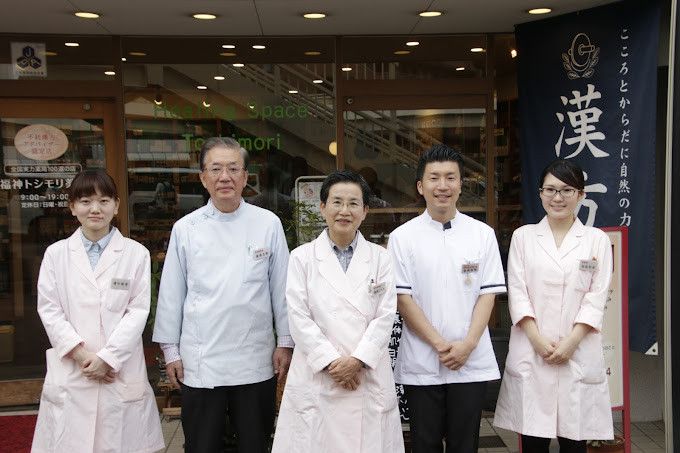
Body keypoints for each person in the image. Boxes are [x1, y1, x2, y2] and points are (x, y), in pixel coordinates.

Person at [152, 137, 293, 453]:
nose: (225, 177)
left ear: (245, 177)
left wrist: (285, 341)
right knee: (202, 445)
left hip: (254, 358)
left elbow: (282, 288)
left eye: (233, 169)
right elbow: (172, 292)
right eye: (216, 169)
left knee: (255, 443)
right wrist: (171, 351)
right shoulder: (186, 228)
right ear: (203, 178)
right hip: (202, 360)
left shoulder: (267, 223)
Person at [272, 170, 404, 453]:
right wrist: (333, 362)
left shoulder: (381, 258)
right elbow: (298, 317)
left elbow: (385, 315)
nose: (345, 211)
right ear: (322, 207)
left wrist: (357, 361)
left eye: (354, 203)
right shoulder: (302, 258)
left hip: (365, 374)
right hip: (320, 375)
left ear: (365, 211)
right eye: (337, 202)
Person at [32, 170, 164, 453]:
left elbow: (137, 311)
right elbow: (50, 309)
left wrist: (108, 358)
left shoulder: (135, 253)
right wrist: (81, 354)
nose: (95, 209)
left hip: (118, 370)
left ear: (116, 206)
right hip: (73, 368)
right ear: (72, 207)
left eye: (104, 201)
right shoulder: (56, 254)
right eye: (85, 201)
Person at [387, 144, 507, 453]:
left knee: (464, 444)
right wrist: (440, 344)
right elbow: (403, 299)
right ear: (420, 186)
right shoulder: (402, 237)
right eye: (434, 177)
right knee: (424, 443)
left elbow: (488, 294)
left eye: (451, 177)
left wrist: (467, 345)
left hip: (470, 359)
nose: (443, 186)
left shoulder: (482, 234)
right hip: (422, 359)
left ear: (461, 184)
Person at [493, 159, 613, 452]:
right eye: (550, 189)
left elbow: (596, 296)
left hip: (577, 350)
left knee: (575, 441)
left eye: (567, 190)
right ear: (540, 193)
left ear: (581, 195)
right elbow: (518, 291)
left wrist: (571, 342)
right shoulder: (523, 237)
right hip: (534, 349)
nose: (557, 197)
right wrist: (536, 340)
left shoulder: (596, 240)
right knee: (533, 440)